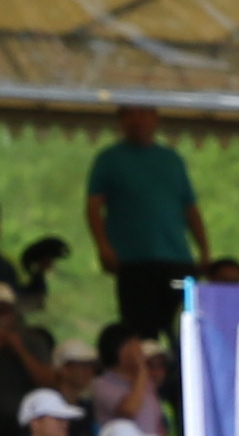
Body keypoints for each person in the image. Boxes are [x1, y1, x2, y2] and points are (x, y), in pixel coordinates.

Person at [84, 100, 209, 344]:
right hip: (134, 262)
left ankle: (180, 378)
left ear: (155, 117)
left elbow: (190, 207)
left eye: (145, 113)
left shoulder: (172, 159)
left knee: (184, 326)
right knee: (140, 331)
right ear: (122, 120)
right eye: (132, 114)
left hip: (177, 260)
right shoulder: (109, 159)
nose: (139, 120)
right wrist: (103, 246)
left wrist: (204, 250)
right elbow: (93, 206)